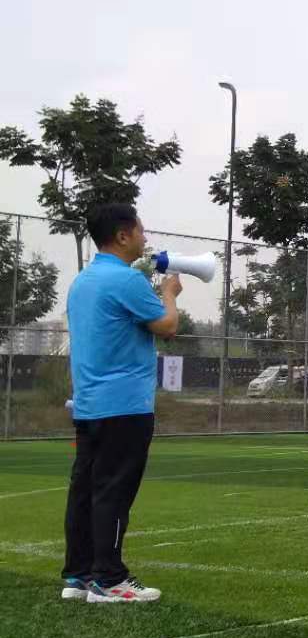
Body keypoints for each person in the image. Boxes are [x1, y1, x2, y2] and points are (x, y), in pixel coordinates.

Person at [61, 203, 181, 604]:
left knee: (84, 491)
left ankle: (78, 575)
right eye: (141, 231)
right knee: (114, 491)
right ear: (123, 235)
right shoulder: (127, 280)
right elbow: (167, 326)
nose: (145, 238)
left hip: (88, 404)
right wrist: (169, 294)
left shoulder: (82, 281)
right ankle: (109, 579)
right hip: (125, 406)